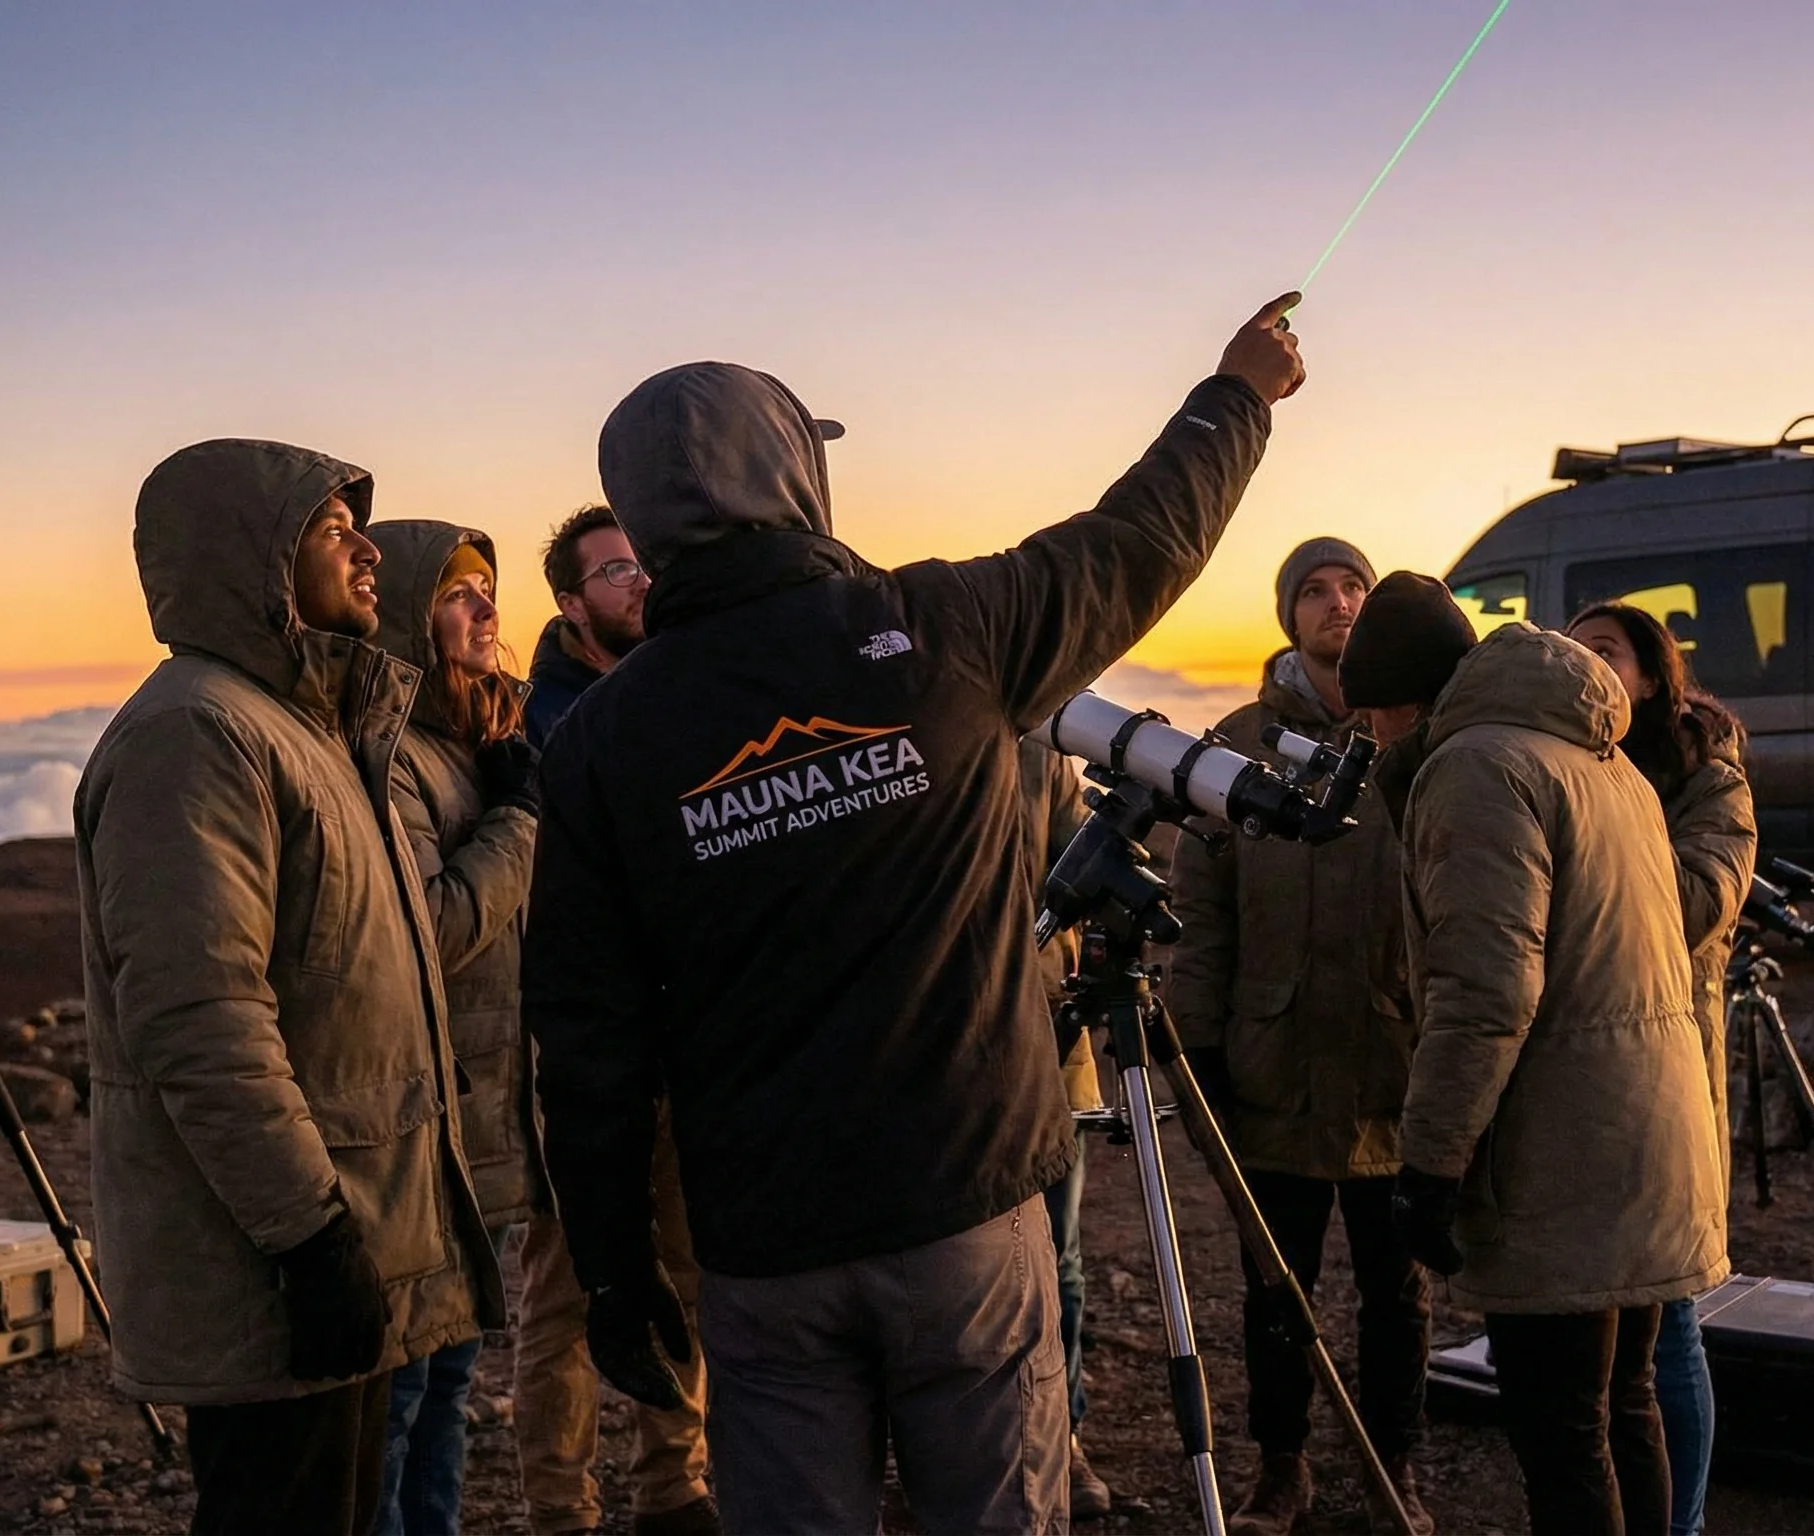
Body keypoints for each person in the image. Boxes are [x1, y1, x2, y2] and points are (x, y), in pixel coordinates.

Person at [522, 294, 1305, 1532]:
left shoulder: (600, 742)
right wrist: (1236, 396)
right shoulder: (948, 624)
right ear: (795, 477)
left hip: (763, 1244)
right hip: (965, 1208)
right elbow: (1141, 537)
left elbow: (584, 1035)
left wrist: (617, 1271)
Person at [74, 440, 504, 1536]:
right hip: (274, 1267)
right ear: (252, 561)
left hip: (353, 1236)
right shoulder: (196, 735)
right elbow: (200, 1021)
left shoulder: (306, 728)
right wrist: (311, 1242)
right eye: (330, 530)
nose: (368, 550)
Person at [1338, 573, 1727, 1536]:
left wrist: (1431, 1163)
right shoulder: (1602, 759)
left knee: (1564, 1438)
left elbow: (1484, 989)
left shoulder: (1476, 767)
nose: (1370, 741)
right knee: (1624, 1408)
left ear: (1395, 702)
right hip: (1647, 1133)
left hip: (1567, 1153)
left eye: (1371, 719)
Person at [1167, 538, 1434, 1536]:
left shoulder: (1416, 746)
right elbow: (1201, 923)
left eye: (1353, 587)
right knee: (1275, 1289)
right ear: (1288, 616)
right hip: (1272, 1064)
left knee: (1394, 1293)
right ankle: (1281, 1467)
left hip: (1387, 1063)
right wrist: (1194, 1054)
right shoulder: (1233, 747)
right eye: (1314, 591)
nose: (1337, 604)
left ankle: (1393, 1463)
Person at [518, 505, 718, 1536]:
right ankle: (560, 1507)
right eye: (612, 572)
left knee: (684, 1262)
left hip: (684, 1033)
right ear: (570, 601)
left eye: (642, 565)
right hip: (585, 1049)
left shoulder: (681, 684)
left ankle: (672, 1484)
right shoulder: (537, 718)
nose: (636, 583)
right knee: (568, 1284)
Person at [366, 521, 544, 1536]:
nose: (484, 611)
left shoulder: (480, 737)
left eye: (487, 590)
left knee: (452, 1381)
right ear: (405, 616)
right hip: (426, 1122)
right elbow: (427, 930)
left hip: (482, 1115)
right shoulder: (393, 761)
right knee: (403, 1395)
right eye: (457, 593)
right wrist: (520, 819)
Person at [1565, 603, 1756, 1536]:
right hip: (1582, 1082)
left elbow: (1687, 906)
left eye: (1603, 652)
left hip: (1670, 1080)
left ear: (1650, 676)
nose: (1584, 665)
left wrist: (1595, 836)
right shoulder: (1569, 768)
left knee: (1669, 1324)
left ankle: (1679, 1525)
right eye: (1574, 651)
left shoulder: (1709, 784)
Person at [1022, 733, 1113, 1520]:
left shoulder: (1040, 756)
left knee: (1060, 1258)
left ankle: (1063, 1433)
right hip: (936, 1045)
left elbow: (1076, 854)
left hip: (1049, 1038)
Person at [526, 504, 651, 745]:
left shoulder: (690, 674)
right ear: (573, 606)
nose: (644, 583)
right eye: (619, 570)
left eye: (644, 564)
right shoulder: (542, 720)